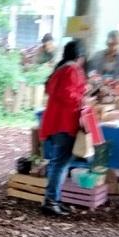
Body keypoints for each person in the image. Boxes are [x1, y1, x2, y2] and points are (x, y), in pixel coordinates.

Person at [39, 40, 88, 217]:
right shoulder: (72, 70)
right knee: (60, 164)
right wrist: (83, 98)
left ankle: (54, 199)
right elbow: (68, 94)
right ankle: (51, 201)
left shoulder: (60, 70)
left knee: (58, 163)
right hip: (65, 123)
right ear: (80, 57)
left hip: (55, 122)